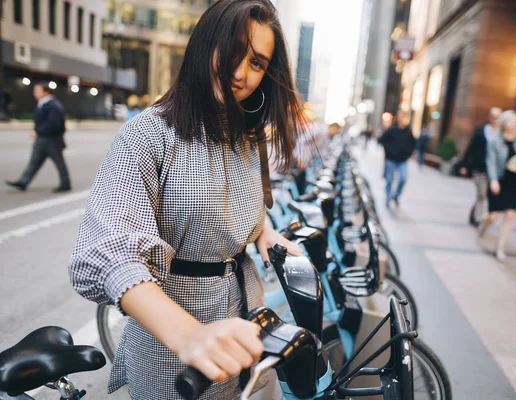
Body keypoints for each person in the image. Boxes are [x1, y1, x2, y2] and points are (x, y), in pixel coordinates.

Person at [68, 1, 306, 398]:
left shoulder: (247, 138)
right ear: (204, 43)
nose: (239, 72)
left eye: (257, 63)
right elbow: (106, 249)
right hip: (172, 345)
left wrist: (264, 231)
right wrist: (189, 335)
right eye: (232, 51)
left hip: (245, 317)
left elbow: (234, 203)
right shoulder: (148, 134)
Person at [478, 110, 516, 261]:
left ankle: (500, 248)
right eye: (511, 120)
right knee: (493, 216)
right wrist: (493, 180)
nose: (514, 123)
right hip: (500, 180)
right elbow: (490, 162)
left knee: (510, 216)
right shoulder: (494, 141)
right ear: (504, 122)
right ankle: (483, 225)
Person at [6, 83, 71, 192]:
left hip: (52, 140)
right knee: (34, 162)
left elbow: (54, 123)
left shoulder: (53, 105)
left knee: (59, 163)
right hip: (42, 139)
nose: (34, 93)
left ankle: (66, 183)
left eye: (37, 90)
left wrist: (38, 131)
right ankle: (23, 181)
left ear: (46, 91)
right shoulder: (43, 103)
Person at [460, 107, 501, 226]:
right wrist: (464, 165)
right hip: (479, 168)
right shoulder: (481, 131)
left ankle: (474, 214)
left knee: (483, 196)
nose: (495, 120)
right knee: (482, 194)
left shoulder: (501, 134)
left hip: (493, 171)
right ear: (489, 118)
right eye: (493, 117)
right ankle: (478, 219)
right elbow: (470, 148)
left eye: (498, 117)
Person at [378, 109, 416, 207]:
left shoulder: (408, 130)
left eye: (403, 116)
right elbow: (382, 140)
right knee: (389, 179)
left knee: (403, 178)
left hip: (403, 160)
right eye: (400, 115)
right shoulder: (391, 129)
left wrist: (409, 152)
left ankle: (396, 195)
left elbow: (412, 143)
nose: (401, 118)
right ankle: (387, 197)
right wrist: (388, 151)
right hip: (391, 159)